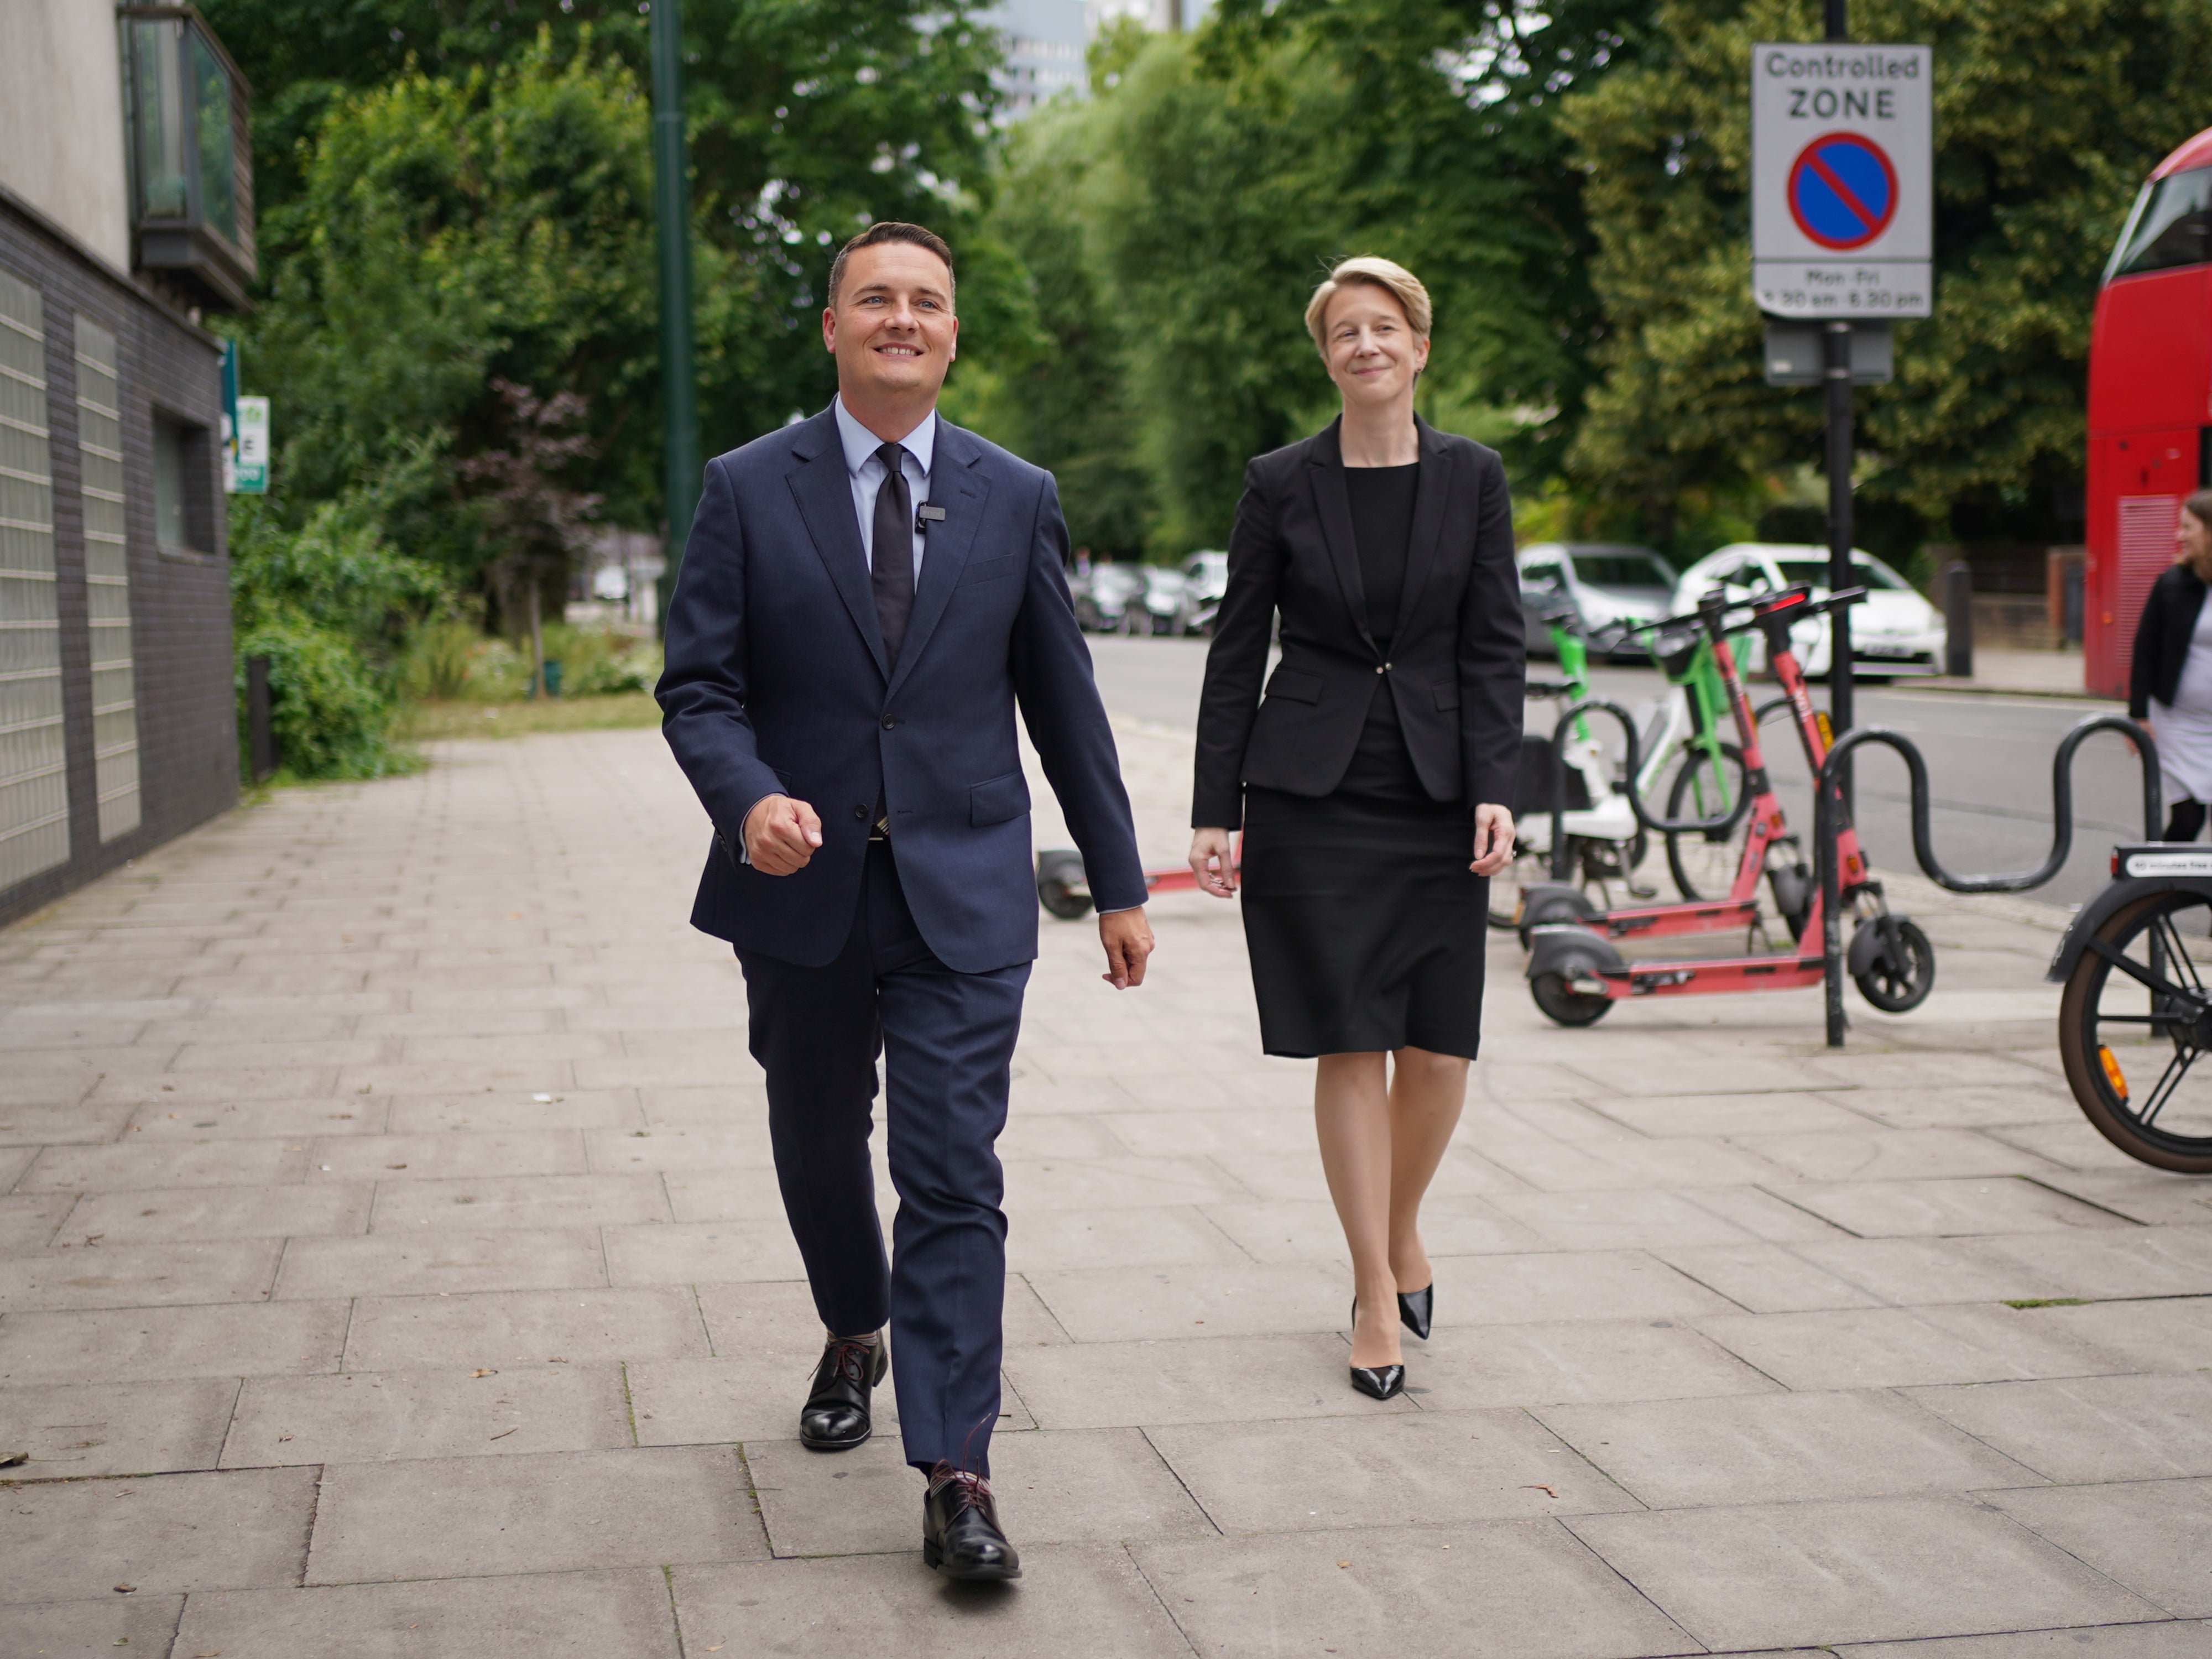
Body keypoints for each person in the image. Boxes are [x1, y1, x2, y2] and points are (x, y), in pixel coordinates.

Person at [657, 221, 1154, 1581]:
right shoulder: (749, 488)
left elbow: (1066, 703)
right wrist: (745, 796)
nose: (901, 318)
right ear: (831, 327)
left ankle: (956, 1469)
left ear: (952, 333)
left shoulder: (1015, 493)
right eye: (874, 297)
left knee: (948, 1171)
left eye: (926, 301)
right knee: (818, 1138)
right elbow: (697, 686)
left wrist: (1117, 878)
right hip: (800, 886)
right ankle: (852, 1322)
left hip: (966, 893)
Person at [1187, 256, 1522, 1401]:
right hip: (1309, 795)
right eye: (1344, 331)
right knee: (1349, 1037)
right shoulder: (1279, 482)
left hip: (1433, 791)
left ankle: (1401, 1227)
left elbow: (1493, 643)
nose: (1365, 345)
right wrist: (1211, 810)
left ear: (1418, 348)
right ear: (1324, 353)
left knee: (1436, 1047)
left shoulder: (1472, 477)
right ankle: (1371, 1291)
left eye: (1384, 328)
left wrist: (1497, 783)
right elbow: (1237, 651)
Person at [2130, 489, 2212, 841]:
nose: (2179, 536)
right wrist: (2138, 714)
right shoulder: (2171, 584)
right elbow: (2145, 648)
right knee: (2188, 820)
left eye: (2187, 527)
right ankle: (2155, 892)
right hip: (2179, 724)